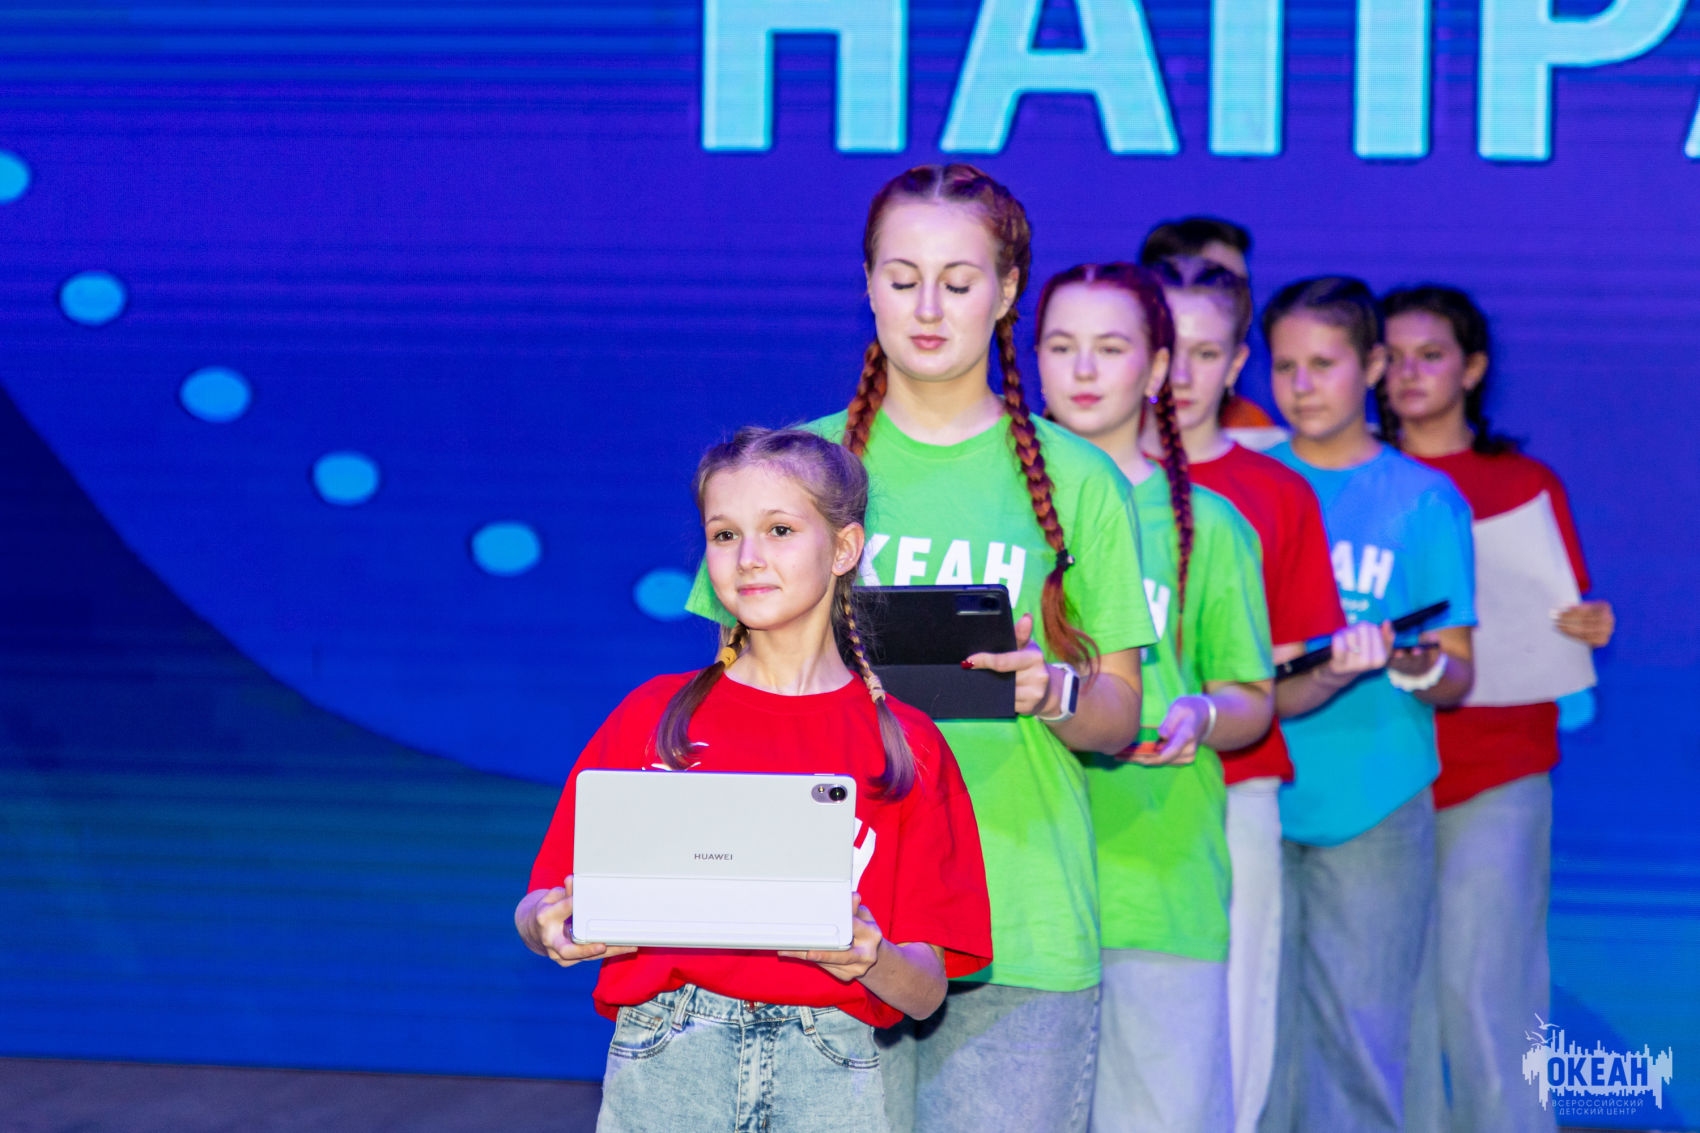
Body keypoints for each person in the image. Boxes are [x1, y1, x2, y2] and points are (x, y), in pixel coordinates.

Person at [692, 164, 1155, 1133]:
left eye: (959, 279)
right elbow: (725, 704)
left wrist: (1053, 691)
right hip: (829, 921)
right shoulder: (790, 469)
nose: (929, 307)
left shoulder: (1079, 478)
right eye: (902, 279)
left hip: (1019, 921)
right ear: (867, 285)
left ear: (1008, 290)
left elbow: (1120, 713)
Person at [519, 427, 994, 1133]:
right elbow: (538, 904)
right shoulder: (651, 716)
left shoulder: (909, 744)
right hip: (666, 1057)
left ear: (844, 548)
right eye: (724, 534)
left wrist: (869, 957)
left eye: (779, 530)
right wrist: (548, 925)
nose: (748, 558)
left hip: (833, 1068)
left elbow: (926, 989)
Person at [1035, 260, 1274, 1132]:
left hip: (1156, 878)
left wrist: (1200, 715)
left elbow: (1251, 696)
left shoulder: (1208, 523)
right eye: (1060, 345)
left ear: (1159, 367)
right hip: (1014, 880)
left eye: (1110, 348)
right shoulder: (998, 508)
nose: (1083, 369)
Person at [1151, 256, 1386, 1133]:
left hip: (1233, 789)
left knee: (1232, 1022)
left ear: (1237, 363)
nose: (1181, 373)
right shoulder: (1072, 475)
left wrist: (1336, 668)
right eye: (1166, 347)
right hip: (1091, 784)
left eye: (1207, 353)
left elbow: (1275, 684)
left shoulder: (1275, 493)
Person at [1380, 285, 1614, 1133]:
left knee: (1490, 994)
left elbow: (1563, 612)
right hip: (1382, 771)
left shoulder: (1522, 482)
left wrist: (1590, 622)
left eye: (1431, 355)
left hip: (1499, 766)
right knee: (1391, 1010)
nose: (1409, 373)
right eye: (1392, 356)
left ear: (1473, 368)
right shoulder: (1354, 478)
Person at [1256, 277, 1478, 1133]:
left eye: (1324, 364)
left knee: (1361, 1042)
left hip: (1377, 797)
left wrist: (1415, 662)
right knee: (1256, 1041)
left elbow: (1459, 672)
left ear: (1373, 366)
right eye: (1284, 366)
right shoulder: (1248, 485)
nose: (1302, 385)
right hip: (1257, 792)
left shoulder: (1424, 498)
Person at [1138, 216, 1280, 440]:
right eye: (1215, 280)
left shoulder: (1253, 425)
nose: (1238, 300)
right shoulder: (1099, 433)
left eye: (1243, 286)